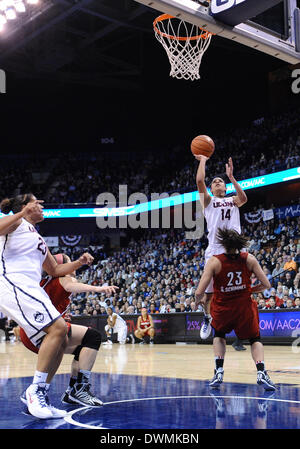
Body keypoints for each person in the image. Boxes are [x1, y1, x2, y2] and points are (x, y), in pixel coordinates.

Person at [0, 193, 94, 419]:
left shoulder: (37, 237)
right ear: (24, 206)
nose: (42, 207)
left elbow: (54, 270)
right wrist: (22, 213)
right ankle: (35, 391)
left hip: (29, 286)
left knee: (60, 338)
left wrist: (79, 263)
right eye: (37, 203)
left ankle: (40, 393)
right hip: (11, 282)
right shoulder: (16, 222)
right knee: (59, 328)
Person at [19, 253, 118, 408]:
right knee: (93, 337)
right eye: (69, 261)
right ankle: (79, 389)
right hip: (43, 330)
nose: (72, 264)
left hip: (32, 331)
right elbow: (70, 285)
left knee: (83, 348)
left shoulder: (45, 282)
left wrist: (61, 316)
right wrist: (98, 289)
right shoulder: (65, 278)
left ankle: (72, 390)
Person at [195, 228, 276, 391]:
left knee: (219, 335)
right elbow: (267, 285)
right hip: (244, 308)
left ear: (223, 244)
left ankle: (218, 371)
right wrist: (251, 290)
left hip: (223, 308)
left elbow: (199, 292)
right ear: (240, 244)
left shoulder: (214, 261)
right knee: (255, 339)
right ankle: (261, 373)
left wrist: (200, 301)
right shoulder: (249, 259)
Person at [195, 155, 248, 348]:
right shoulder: (208, 202)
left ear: (225, 188)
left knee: (236, 291)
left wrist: (232, 178)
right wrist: (203, 159)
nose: (218, 182)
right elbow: (200, 180)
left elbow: (244, 198)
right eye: (215, 182)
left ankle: (239, 333)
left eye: (221, 181)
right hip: (215, 249)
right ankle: (207, 317)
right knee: (208, 295)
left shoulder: (233, 200)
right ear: (211, 189)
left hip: (233, 248)